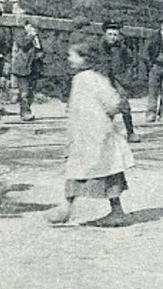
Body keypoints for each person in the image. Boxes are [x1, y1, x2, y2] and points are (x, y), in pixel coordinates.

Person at [46, 39, 134, 228]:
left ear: (85, 59)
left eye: (72, 56)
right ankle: (110, 209)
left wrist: (101, 119)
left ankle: (67, 208)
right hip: (87, 132)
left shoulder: (87, 78)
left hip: (94, 133)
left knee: (86, 168)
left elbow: (112, 103)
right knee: (101, 168)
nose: (69, 59)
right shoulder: (91, 77)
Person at [100, 20, 141, 143]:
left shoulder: (121, 48)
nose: (112, 37)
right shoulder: (98, 47)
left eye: (115, 35)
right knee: (102, 106)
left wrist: (127, 76)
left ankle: (130, 132)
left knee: (124, 105)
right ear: (105, 34)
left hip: (118, 80)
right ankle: (103, 133)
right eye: (110, 34)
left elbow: (131, 62)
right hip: (102, 79)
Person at [8, 18, 45, 122]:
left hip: (33, 67)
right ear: (26, 25)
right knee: (24, 92)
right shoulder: (20, 34)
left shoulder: (36, 37)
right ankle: (25, 113)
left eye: (36, 28)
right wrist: (31, 35)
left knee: (31, 91)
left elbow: (39, 48)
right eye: (32, 27)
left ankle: (26, 109)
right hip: (22, 67)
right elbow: (23, 45)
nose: (34, 29)